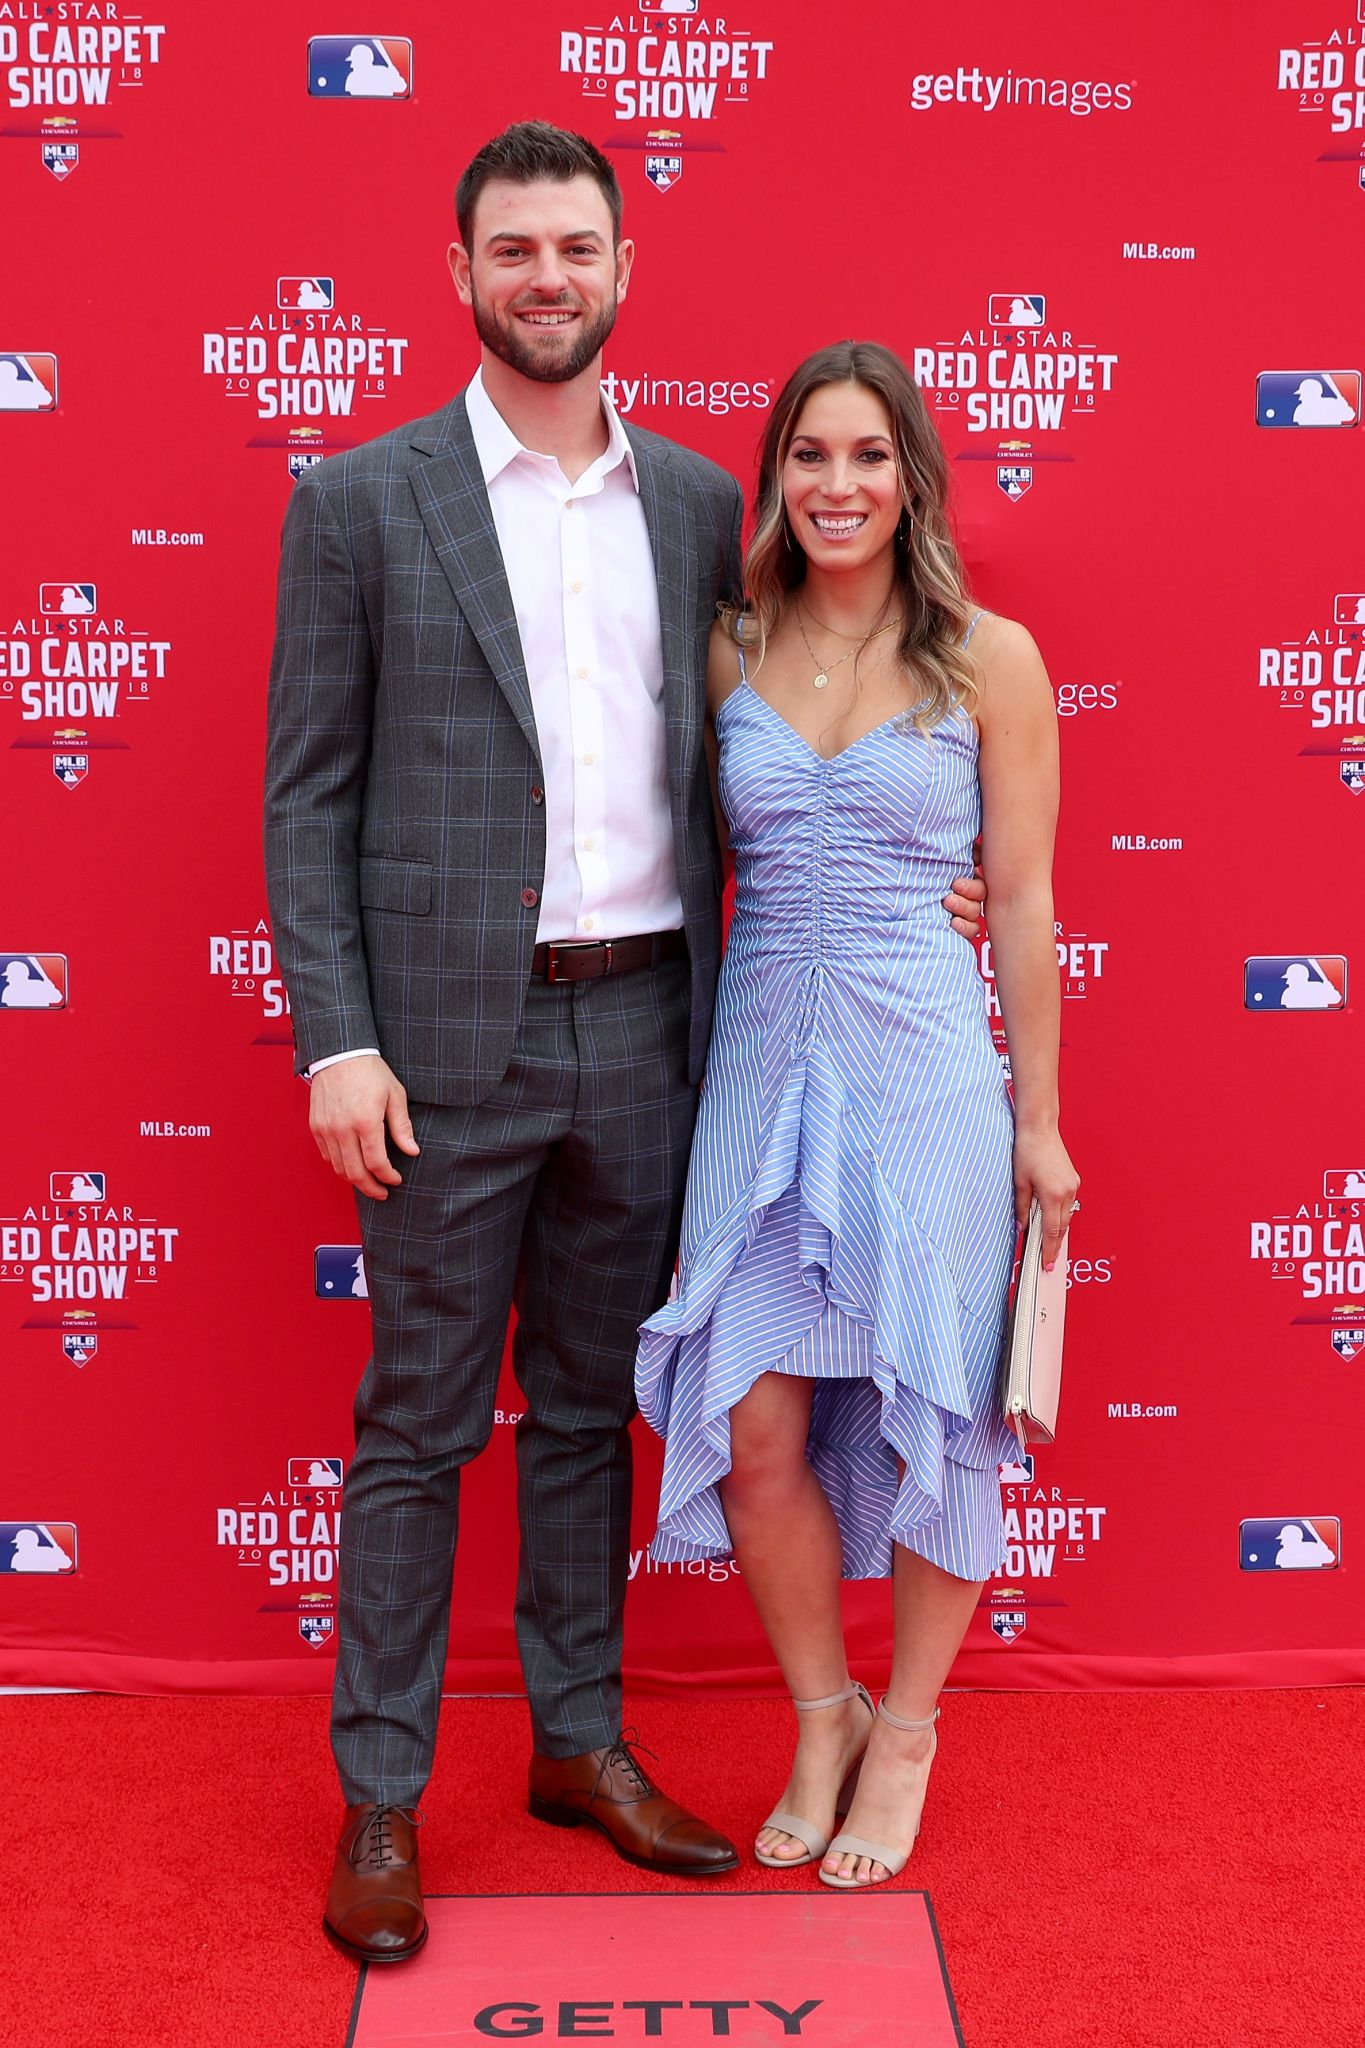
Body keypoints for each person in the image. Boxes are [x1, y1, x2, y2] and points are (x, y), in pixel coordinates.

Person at [264, 126, 986, 1965]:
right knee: (418, 1430)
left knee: (588, 1413)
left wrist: (932, 893)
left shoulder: (693, 512)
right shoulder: (358, 501)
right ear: (459, 273)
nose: (547, 276)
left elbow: (817, 753)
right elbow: (307, 799)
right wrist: (333, 1040)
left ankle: (577, 1743)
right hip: (437, 1050)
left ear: (623, 266)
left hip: (658, 1029)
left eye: (575, 245)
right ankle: (383, 1797)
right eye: (512, 249)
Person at [637, 341, 1078, 1891]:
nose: (837, 487)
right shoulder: (726, 648)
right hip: (759, 1070)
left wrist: (1039, 1121)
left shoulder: (987, 661)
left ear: (912, 481)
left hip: (923, 1077)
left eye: (868, 458)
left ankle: (903, 1732)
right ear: (775, 481)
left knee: (940, 1415)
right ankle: (816, 1716)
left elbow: (1017, 901)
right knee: (753, 1422)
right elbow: (683, 870)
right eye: (810, 458)